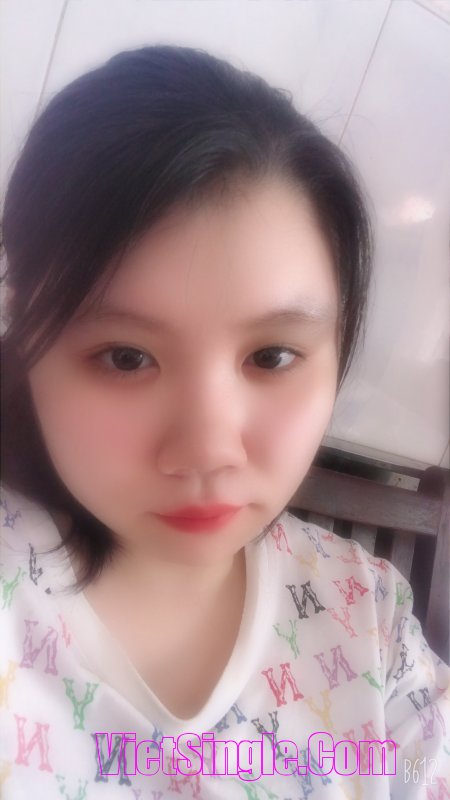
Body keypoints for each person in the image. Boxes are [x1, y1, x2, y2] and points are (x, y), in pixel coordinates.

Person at [0, 44, 448, 800]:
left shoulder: (368, 616)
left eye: (272, 356)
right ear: (24, 342)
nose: (208, 451)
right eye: (125, 358)